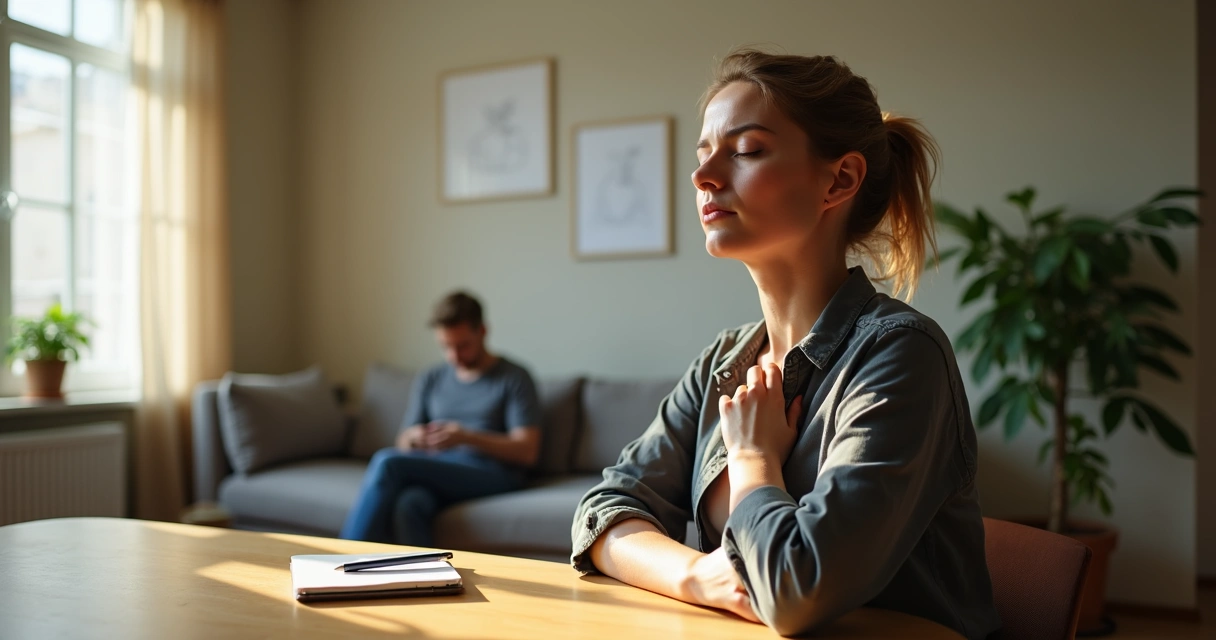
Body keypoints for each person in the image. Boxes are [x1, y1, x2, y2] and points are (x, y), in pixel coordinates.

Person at [571, 50, 1001, 640]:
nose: (703, 177)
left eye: (746, 151)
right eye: (703, 154)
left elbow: (797, 592)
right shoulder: (722, 363)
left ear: (839, 180)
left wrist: (753, 460)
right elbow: (603, 510)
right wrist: (696, 577)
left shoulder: (901, 355)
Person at [341, 291, 542, 546]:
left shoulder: (514, 377)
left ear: (482, 331)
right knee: (410, 504)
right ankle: (425, 572)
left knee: (387, 462)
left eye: (463, 346)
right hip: (439, 468)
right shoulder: (431, 378)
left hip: (493, 473)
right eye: (446, 347)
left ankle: (341, 559)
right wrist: (415, 438)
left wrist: (466, 437)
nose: (454, 356)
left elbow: (527, 451)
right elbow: (403, 441)